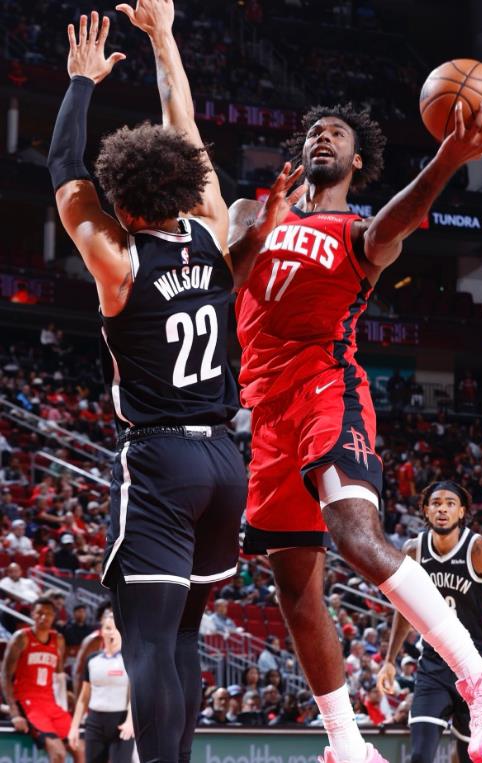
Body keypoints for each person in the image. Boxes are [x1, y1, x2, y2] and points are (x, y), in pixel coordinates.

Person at [225, 72, 482, 763]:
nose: (321, 136)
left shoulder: (359, 231)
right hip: (266, 411)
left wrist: (446, 159)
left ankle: (480, 677)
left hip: (328, 388)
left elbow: (394, 224)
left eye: (337, 133)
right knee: (295, 585)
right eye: (313, 131)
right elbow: (226, 278)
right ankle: (347, 744)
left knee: (355, 533)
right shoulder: (252, 211)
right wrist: (260, 229)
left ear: (357, 161)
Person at [46, 6, 246, 762]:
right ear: (185, 188)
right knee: (186, 636)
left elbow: (65, 171)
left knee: (149, 640)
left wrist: (80, 85)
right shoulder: (213, 229)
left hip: (161, 460)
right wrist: (164, 37)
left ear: (124, 201)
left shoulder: (119, 259)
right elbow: (184, 126)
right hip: (225, 459)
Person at [376, 481, 482, 763]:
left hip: (475, 667)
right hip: (433, 666)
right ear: (425, 510)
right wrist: (390, 660)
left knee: (470, 758)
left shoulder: (481, 551)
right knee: (420, 756)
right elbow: (405, 608)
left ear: (461, 512)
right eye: (436, 503)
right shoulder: (414, 550)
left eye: (450, 504)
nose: (442, 509)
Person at [0, 597, 83, 763]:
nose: (44, 617)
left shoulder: (58, 640)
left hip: (50, 703)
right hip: (28, 703)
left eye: (48, 614)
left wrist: (63, 703)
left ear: (54, 617)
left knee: (80, 749)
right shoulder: (21, 638)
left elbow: (59, 676)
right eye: (39, 613)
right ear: (32, 614)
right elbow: (6, 675)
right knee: (58, 753)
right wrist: (15, 713)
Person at [68, 612, 134, 763]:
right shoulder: (92, 660)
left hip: (121, 722)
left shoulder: (130, 659)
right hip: (95, 723)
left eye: (116, 629)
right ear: (102, 631)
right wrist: (74, 727)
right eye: (108, 628)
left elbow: (134, 696)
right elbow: (84, 697)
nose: (112, 632)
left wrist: (130, 722)